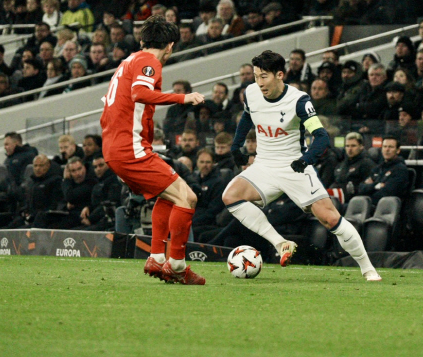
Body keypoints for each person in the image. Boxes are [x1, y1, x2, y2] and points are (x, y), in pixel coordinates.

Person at [223, 50, 381, 281]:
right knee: (230, 196)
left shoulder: (299, 100)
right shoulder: (251, 92)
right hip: (264, 165)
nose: (259, 82)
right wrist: (236, 146)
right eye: (256, 76)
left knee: (330, 219)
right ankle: (280, 243)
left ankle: (368, 268)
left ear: (280, 75)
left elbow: (322, 136)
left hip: (294, 167)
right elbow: (248, 116)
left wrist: (305, 161)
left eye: (264, 76)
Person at [100, 15, 206, 285]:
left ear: (141, 40)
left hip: (118, 147)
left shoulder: (129, 61)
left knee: (169, 195)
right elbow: (140, 94)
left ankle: (158, 258)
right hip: (129, 149)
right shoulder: (149, 62)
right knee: (188, 198)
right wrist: (184, 97)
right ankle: (178, 266)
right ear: (170, 46)